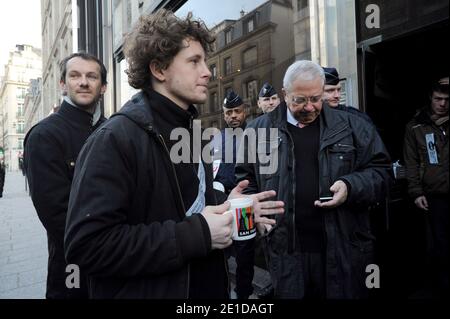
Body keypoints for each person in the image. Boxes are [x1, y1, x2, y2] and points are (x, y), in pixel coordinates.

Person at [64, 10, 283, 299]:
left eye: (205, 61)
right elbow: (88, 245)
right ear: (159, 69)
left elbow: (185, 207)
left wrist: (228, 210)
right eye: (194, 61)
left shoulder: (192, 132)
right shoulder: (114, 140)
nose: (208, 71)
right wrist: (199, 234)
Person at [235, 60, 392, 299]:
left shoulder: (354, 127)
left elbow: (382, 173)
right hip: (284, 253)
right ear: (285, 95)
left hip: (342, 251)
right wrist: (253, 218)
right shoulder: (257, 132)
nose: (309, 107)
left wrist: (350, 187)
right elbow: (244, 185)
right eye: (300, 100)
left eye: (316, 98)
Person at [23, 52, 108, 299]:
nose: (83, 82)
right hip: (72, 268)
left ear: (102, 87)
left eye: (91, 76)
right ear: (63, 84)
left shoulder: (114, 129)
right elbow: (56, 214)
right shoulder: (44, 136)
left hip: (120, 267)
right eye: (75, 75)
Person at [403, 76, 449, 298]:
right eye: (438, 99)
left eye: (447, 99)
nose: (442, 104)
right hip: (435, 195)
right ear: (430, 99)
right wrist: (416, 192)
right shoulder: (416, 126)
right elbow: (410, 162)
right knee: (438, 246)